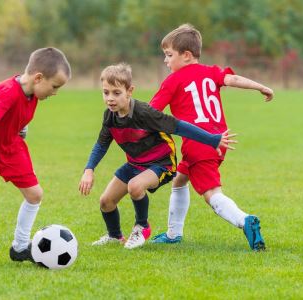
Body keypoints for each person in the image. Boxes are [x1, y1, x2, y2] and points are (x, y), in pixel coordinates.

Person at [78, 63, 237, 249]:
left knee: (135, 186)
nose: (110, 99)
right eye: (106, 93)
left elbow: (179, 126)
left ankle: (142, 226)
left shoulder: (144, 113)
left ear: (129, 91)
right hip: (135, 164)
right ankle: (115, 236)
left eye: (116, 93)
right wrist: (89, 169)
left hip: (161, 163)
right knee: (106, 202)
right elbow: (101, 145)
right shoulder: (110, 117)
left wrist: (212, 139)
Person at [149, 24, 273, 251]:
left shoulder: (173, 81)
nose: (166, 61)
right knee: (179, 179)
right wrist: (261, 87)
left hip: (198, 143)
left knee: (212, 195)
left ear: (186, 56)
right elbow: (233, 80)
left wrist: (131, 123)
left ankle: (244, 220)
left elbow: (151, 111)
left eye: (168, 55)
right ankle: (173, 233)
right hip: (219, 140)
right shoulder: (211, 71)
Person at [0, 47, 71, 266]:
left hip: (10, 146)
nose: (55, 92)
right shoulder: (7, 91)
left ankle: (20, 247)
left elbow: (19, 118)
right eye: (54, 86)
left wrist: (21, 132)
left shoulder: (33, 94)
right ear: (38, 78)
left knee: (35, 194)